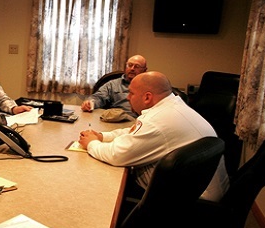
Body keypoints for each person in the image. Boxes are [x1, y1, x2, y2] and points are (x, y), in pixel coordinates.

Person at [78, 71, 229, 202]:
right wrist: (102, 136)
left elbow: (117, 155)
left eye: (131, 93)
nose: (128, 98)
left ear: (147, 97)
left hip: (191, 203)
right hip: (198, 188)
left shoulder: (158, 121)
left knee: (104, 182)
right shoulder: (171, 106)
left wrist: (91, 143)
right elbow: (133, 131)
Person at [81, 54, 148, 118]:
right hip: (118, 120)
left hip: (142, 122)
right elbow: (98, 97)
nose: (132, 68)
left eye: (137, 66)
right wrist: (90, 103)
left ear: (144, 70)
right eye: (130, 65)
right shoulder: (112, 85)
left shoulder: (149, 86)